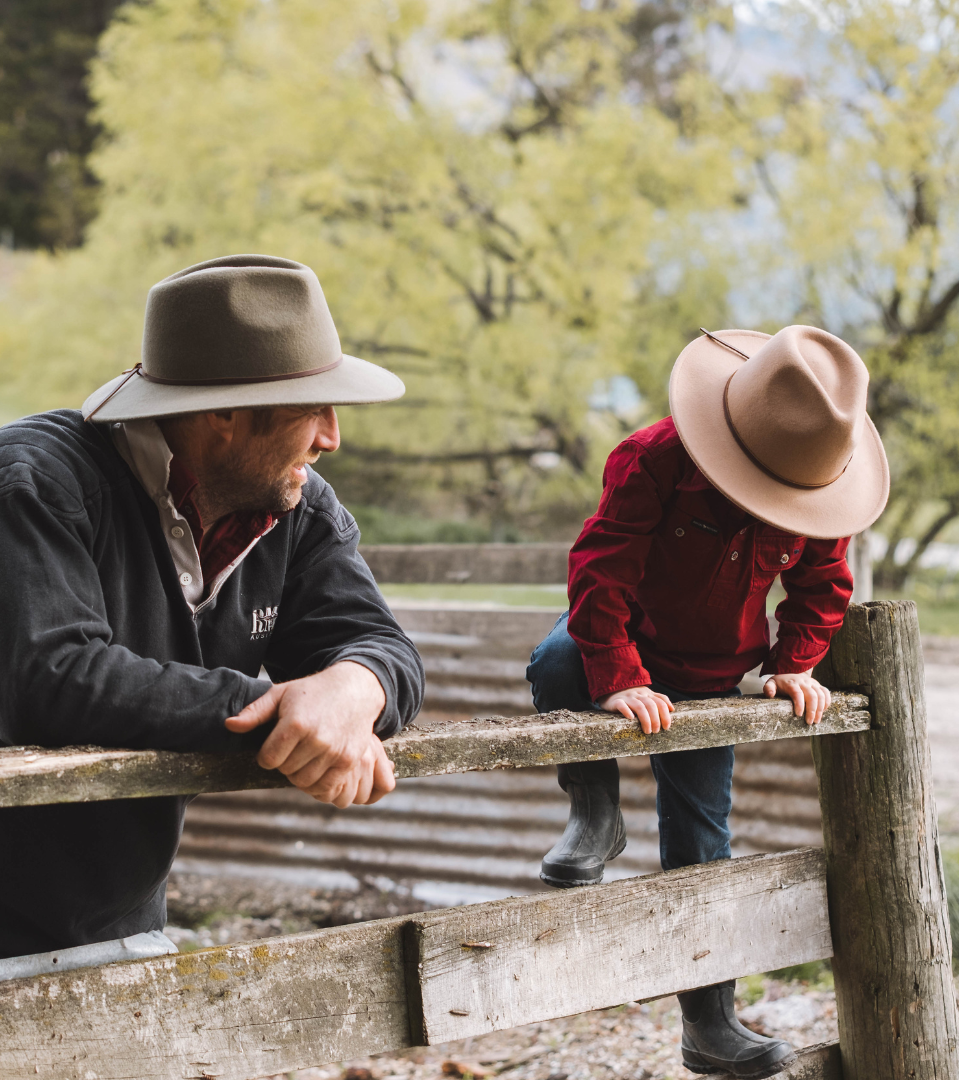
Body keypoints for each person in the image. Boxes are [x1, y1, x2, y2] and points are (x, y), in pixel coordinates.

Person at [0, 254, 424, 965]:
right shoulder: (34, 483)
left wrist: (349, 690)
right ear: (223, 413)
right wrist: (281, 710)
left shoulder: (294, 505)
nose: (332, 436)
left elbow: (382, 645)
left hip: (120, 924)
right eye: (312, 408)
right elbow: (61, 677)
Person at [526, 325, 889, 1078]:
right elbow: (601, 566)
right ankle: (594, 814)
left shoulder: (818, 496)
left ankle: (710, 1022)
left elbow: (823, 589)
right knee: (557, 660)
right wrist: (620, 675)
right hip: (626, 635)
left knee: (701, 837)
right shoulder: (654, 458)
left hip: (710, 672)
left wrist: (792, 666)